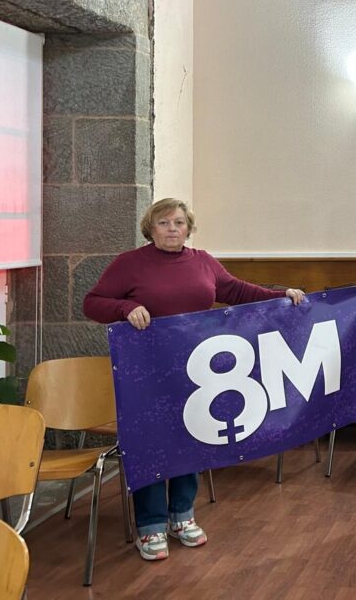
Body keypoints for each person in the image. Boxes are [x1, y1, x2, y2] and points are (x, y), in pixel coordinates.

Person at [83, 198, 305, 562]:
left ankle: (182, 516)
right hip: (148, 371)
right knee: (153, 442)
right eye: (164, 222)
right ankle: (151, 524)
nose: (172, 229)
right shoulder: (129, 264)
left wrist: (281, 296)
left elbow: (237, 291)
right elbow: (92, 303)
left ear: (189, 228)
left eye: (179, 222)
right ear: (150, 228)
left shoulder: (203, 261)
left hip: (196, 371)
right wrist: (125, 308)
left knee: (193, 437)